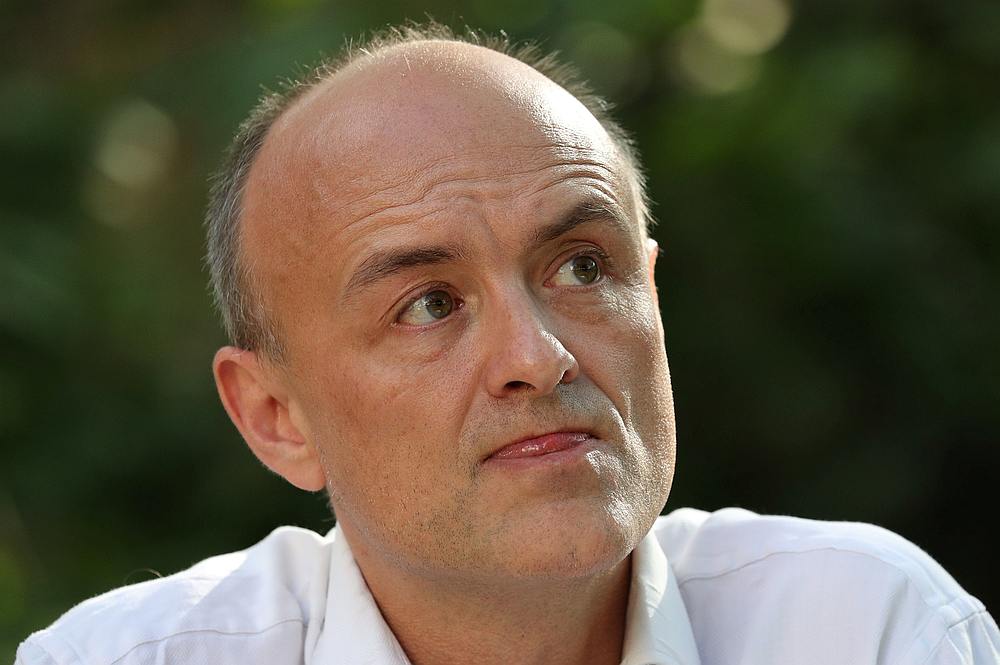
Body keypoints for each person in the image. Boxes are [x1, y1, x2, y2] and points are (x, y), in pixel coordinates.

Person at [16, 22, 999, 665]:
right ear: (277, 416)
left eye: (583, 267)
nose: (539, 356)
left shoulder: (862, 626)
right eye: (429, 304)